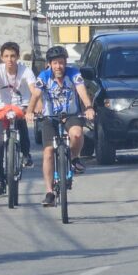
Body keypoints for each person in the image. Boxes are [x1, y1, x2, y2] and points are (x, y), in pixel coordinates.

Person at [26, 46, 95, 207]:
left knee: (77, 135)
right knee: (48, 152)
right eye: (55, 63)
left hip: (71, 115)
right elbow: (36, 95)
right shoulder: (43, 76)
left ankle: (74, 158)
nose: (59, 66)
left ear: (66, 63)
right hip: (50, 117)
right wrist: (29, 111)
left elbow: (81, 90)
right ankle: (50, 192)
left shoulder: (74, 73)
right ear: (49, 64)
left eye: (61, 63)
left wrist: (89, 107)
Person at [0, 42, 37, 199]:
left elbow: (33, 90)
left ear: (17, 57)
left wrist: (33, 109)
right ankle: (0, 181)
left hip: (21, 106)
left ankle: (26, 154)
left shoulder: (26, 70)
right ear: (1, 58)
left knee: (22, 125)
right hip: (1, 109)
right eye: (6, 56)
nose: (9, 59)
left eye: (12, 56)